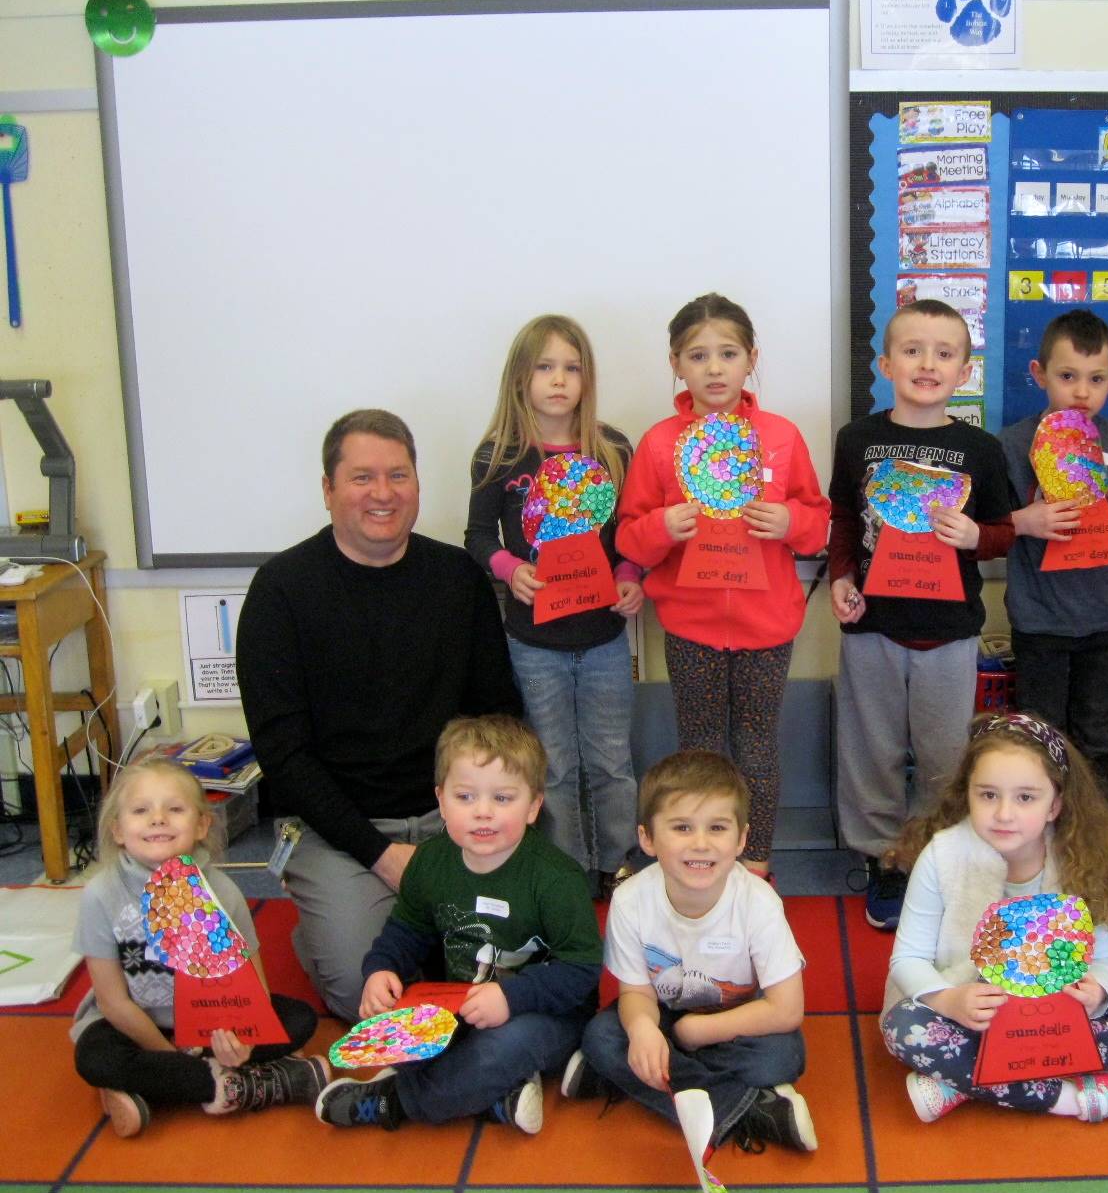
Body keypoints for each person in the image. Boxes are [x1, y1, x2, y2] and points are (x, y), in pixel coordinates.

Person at [236, 409, 522, 1022]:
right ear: (328, 489)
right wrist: (381, 855)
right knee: (363, 996)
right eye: (363, 477)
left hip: (455, 816)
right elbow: (285, 759)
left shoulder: (457, 578)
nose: (384, 494)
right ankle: (329, 926)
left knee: (516, 973)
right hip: (340, 833)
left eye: (399, 475)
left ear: (418, 484)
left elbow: (500, 716)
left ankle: (417, 926)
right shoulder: (281, 591)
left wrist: (488, 817)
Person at [616, 294, 829, 877]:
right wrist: (662, 526)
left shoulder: (781, 437)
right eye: (698, 355)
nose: (714, 368)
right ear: (675, 364)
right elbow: (630, 540)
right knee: (701, 750)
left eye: (728, 353)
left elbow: (816, 523)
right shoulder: (661, 444)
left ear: (750, 358)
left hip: (768, 626)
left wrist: (791, 521)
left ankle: (756, 863)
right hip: (690, 628)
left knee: (758, 748)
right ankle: (701, 862)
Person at [879, 712, 1108, 1124]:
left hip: (1050, 1023)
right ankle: (1077, 1100)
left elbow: (1104, 958)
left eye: (1025, 797)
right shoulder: (943, 855)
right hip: (967, 1015)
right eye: (987, 795)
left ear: (1055, 805)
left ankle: (963, 1083)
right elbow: (907, 960)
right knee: (904, 1029)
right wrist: (948, 1000)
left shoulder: (1077, 859)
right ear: (967, 794)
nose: (1003, 814)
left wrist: (1098, 993)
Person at [315, 716, 602, 1134]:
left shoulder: (556, 879)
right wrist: (381, 969)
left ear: (534, 806)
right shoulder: (430, 862)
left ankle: (395, 1100)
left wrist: (511, 997)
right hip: (458, 1003)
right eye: (465, 796)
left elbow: (581, 970)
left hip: (546, 1014)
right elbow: (406, 928)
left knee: (500, 1050)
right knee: (388, 1033)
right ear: (441, 801)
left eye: (503, 799)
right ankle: (494, 1099)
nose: (483, 812)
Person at [828, 298, 1013, 931]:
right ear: (885, 364)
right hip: (873, 624)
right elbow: (846, 520)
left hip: (950, 631)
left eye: (944, 353)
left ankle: (937, 855)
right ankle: (884, 859)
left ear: (965, 371)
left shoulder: (980, 450)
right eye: (912, 350)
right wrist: (842, 577)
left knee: (943, 755)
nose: (927, 363)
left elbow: (1004, 530)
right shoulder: (858, 440)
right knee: (871, 750)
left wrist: (975, 538)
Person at [466, 315, 643, 897]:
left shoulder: (612, 449)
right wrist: (509, 570)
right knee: (556, 766)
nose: (559, 381)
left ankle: (619, 865)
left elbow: (629, 535)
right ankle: (567, 869)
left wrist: (628, 576)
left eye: (572, 368)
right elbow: (478, 537)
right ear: (521, 377)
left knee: (612, 761)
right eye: (545, 367)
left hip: (604, 636)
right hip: (533, 641)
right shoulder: (500, 455)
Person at [561, 750, 815, 1153]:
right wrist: (645, 1029)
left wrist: (697, 1031)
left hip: (736, 1020)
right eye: (681, 827)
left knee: (784, 1055)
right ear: (647, 838)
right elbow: (637, 994)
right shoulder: (629, 900)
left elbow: (786, 1009)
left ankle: (627, 1079)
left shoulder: (758, 902)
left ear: (742, 838)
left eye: (717, 827)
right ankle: (748, 1109)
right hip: (663, 1014)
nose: (701, 844)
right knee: (602, 1036)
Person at [70, 759, 325, 1138]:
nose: (158, 819)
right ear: (118, 830)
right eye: (141, 811)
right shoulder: (101, 895)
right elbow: (113, 1002)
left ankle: (166, 1087)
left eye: (175, 809)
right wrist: (171, 1053)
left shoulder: (221, 891)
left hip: (211, 1029)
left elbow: (253, 988)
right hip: (135, 1027)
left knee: (300, 1020)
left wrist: (236, 1039)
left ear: (202, 824)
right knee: (94, 1058)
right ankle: (248, 1083)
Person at [1002, 309, 1108, 805]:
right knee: (1038, 741)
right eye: (1067, 377)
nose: (1081, 392)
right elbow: (990, 525)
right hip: (1038, 621)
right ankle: (1036, 840)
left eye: (1095, 380)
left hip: (1104, 621)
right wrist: (1027, 518)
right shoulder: (1012, 444)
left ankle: (1098, 844)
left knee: (1097, 738)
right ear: (1039, 374)